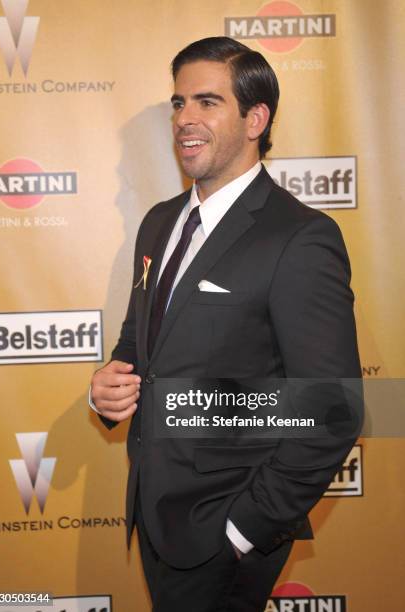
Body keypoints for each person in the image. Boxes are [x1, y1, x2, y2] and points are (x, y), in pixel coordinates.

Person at [89, 37, 361, 612]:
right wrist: (109, 387)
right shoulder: (160, 223)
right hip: (154, 510)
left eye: (207, 103)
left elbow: (332, 407)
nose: (185, 118)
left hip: (226, 527)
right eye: (179, 102)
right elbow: (140, 346)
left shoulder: (299, 237)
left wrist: (244, 529)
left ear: (255, 118)